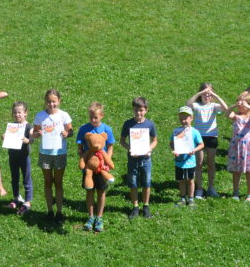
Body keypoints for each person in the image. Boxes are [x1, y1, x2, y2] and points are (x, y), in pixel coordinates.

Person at [32, 89, 73, 224]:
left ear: (59, 101)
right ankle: (50, 211)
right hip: (45, 153)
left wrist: (67, 133)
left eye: (54, 101)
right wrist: (37, 134)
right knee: (48, 182)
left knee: (59, 182)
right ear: (45, 102)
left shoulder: (64, 115)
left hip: (59, 153)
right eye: (49, 102)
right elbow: (35, 132)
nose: (51, 104)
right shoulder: (40, 116)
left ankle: (59, 212)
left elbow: (71, 130)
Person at [76, 102, 115, 232]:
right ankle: (91, 216)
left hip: (102, 167)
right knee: (89, 190)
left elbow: (110, 147)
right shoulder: (84, 129)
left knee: (101, 191)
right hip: (89, 167)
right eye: (91, 117)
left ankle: (99, 217)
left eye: (96, 118)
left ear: (101, 116)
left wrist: (106, 161)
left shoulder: (106, 129)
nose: (93, 120)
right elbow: (80, 148)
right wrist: (84, 159)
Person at [186, 83, 227, 198]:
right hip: (199, 138)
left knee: (211, 164)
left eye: (209, 94)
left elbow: (225, 108)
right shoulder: (197, 105)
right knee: (199, 164)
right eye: (204, 94)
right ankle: (199, 189)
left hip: (212, 137)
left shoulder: (214, 105)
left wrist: (214, 95)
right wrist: (200, 93)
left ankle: (211, 187)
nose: (206, 96)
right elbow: (188, 104)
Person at [119, 97, 158, 219]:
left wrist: (150, 148)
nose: (138, 113)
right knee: (133, 183)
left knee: (146, 182)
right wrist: (129, 147)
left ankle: (146, 206)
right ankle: (135, 207)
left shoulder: (150, 124)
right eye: (136, 110)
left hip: (146, 159)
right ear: (133, 109)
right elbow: (122, 141)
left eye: (141, 110)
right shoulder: (128, 123)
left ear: (146, 110)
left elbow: (155, 140)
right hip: (133, 158)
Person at [225, 92, 250, 201]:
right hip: (237, 146)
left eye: (243, 104)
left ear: (249, 104)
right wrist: (234, 106)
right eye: (239, 103)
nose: (240, 106)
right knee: (236, 170)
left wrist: (249, 107)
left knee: (249, 171)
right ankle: (235, 192)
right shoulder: (236, 115)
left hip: (248, 146)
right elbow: (227, 113)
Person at [171, 106, 204, 207]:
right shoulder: (176, 131)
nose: (183, 121)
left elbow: (201, 144)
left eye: (186, 118)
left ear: (191, 118)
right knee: (181, 180)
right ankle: (182, 198)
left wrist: (194, 150)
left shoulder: (194, 132)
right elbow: (171, 143)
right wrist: (174, 150)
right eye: (181, 118)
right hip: (179, 161)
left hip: (190, 161)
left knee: (190, 180)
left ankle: (191, 198)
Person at [6, 101, 33, 215]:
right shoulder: (13, 126)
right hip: (13, 156)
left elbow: (32, 138)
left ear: (25, 113)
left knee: (26, 178)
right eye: (15, 113)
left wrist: (28, 140)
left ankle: (27, 202)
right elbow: (8, 137)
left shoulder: (28, 126)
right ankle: (17, 198)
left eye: (19, 112)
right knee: (14, 178)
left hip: (24, 156)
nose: (17, 115)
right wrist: (4, 137)